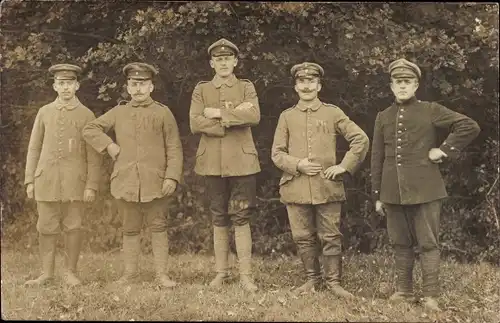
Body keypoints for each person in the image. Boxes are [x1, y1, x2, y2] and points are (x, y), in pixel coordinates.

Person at [370, 58, 481, 311]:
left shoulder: (430, 109)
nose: (402, 86)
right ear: (391, 86)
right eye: (398, 82)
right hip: (392, 191)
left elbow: (468, 126)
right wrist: (377, 195)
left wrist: (443, 150)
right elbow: (377, 157)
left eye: (407, 82)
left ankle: (430, 295)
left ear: (416, 85)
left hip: (426, 188)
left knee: (428, 243)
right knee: (400, 242)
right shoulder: (383, 117)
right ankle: (404, 292)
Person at [271, 62, 369, 297]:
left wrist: (344, 166)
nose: (306, 86)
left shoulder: (332, 112)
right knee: (303, 236)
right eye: (302, 82)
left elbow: (360, 139)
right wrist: (298, 164)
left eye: (311, 82)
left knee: (331, 235)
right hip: (296, 186)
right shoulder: (287, 116)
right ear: (295, 87)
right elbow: (276, 153)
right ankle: (312, 280)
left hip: (327, 186)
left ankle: (334, 282)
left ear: (319, 85)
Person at [82, 62, 183, 288]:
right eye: (134, 84)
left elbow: (174, 147)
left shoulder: (163, 113)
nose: (138, 88)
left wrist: (172, 177)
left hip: (156, 181)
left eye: (143, 84)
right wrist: (109, 146)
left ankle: (162, 275)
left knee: (158, 226)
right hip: (126, 181)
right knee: (129, 228)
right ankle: (130, 274)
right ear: (128, 87)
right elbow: (90, 129)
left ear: (151, 87)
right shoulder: (119, 112)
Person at [189, 38, 261, 292]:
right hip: (212, 163)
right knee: (218, 216)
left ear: (235, 62)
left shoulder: (246, 87)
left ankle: (245, 275)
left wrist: (218, 113)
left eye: (227, 59)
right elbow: (195, 123)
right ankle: (221, 273)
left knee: (241, 217)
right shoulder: (202, 89)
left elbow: (254, 115)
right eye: (218, 60)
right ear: (212, 63)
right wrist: (233, 117)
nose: (223, 63)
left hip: (243, 162)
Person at [24, 64, 102, 287]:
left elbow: (94, 154)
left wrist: (91, 185)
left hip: (74, 183)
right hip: (46, 179)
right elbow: (34, 148)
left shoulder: (86, 114)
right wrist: (30, 180)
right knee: (45, 226)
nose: (65, 88)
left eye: (69, 83)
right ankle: (46, 274)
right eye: (61, 83)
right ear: (54, 86)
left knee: (73, 225)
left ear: (77, 86)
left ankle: (70, 273)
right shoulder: (44, 112)